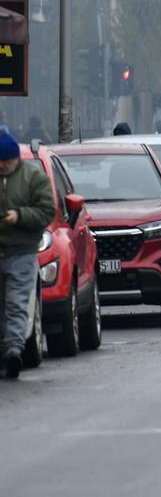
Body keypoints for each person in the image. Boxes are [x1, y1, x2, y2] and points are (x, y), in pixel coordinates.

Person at [0, 127, 55, 379]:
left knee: (17, 303)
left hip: (21, 252)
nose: (3, 166)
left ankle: (13, 350)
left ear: (15, 159)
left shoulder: (33, 178)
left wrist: (19, 216)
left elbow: (47, 212)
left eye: (7, 161)